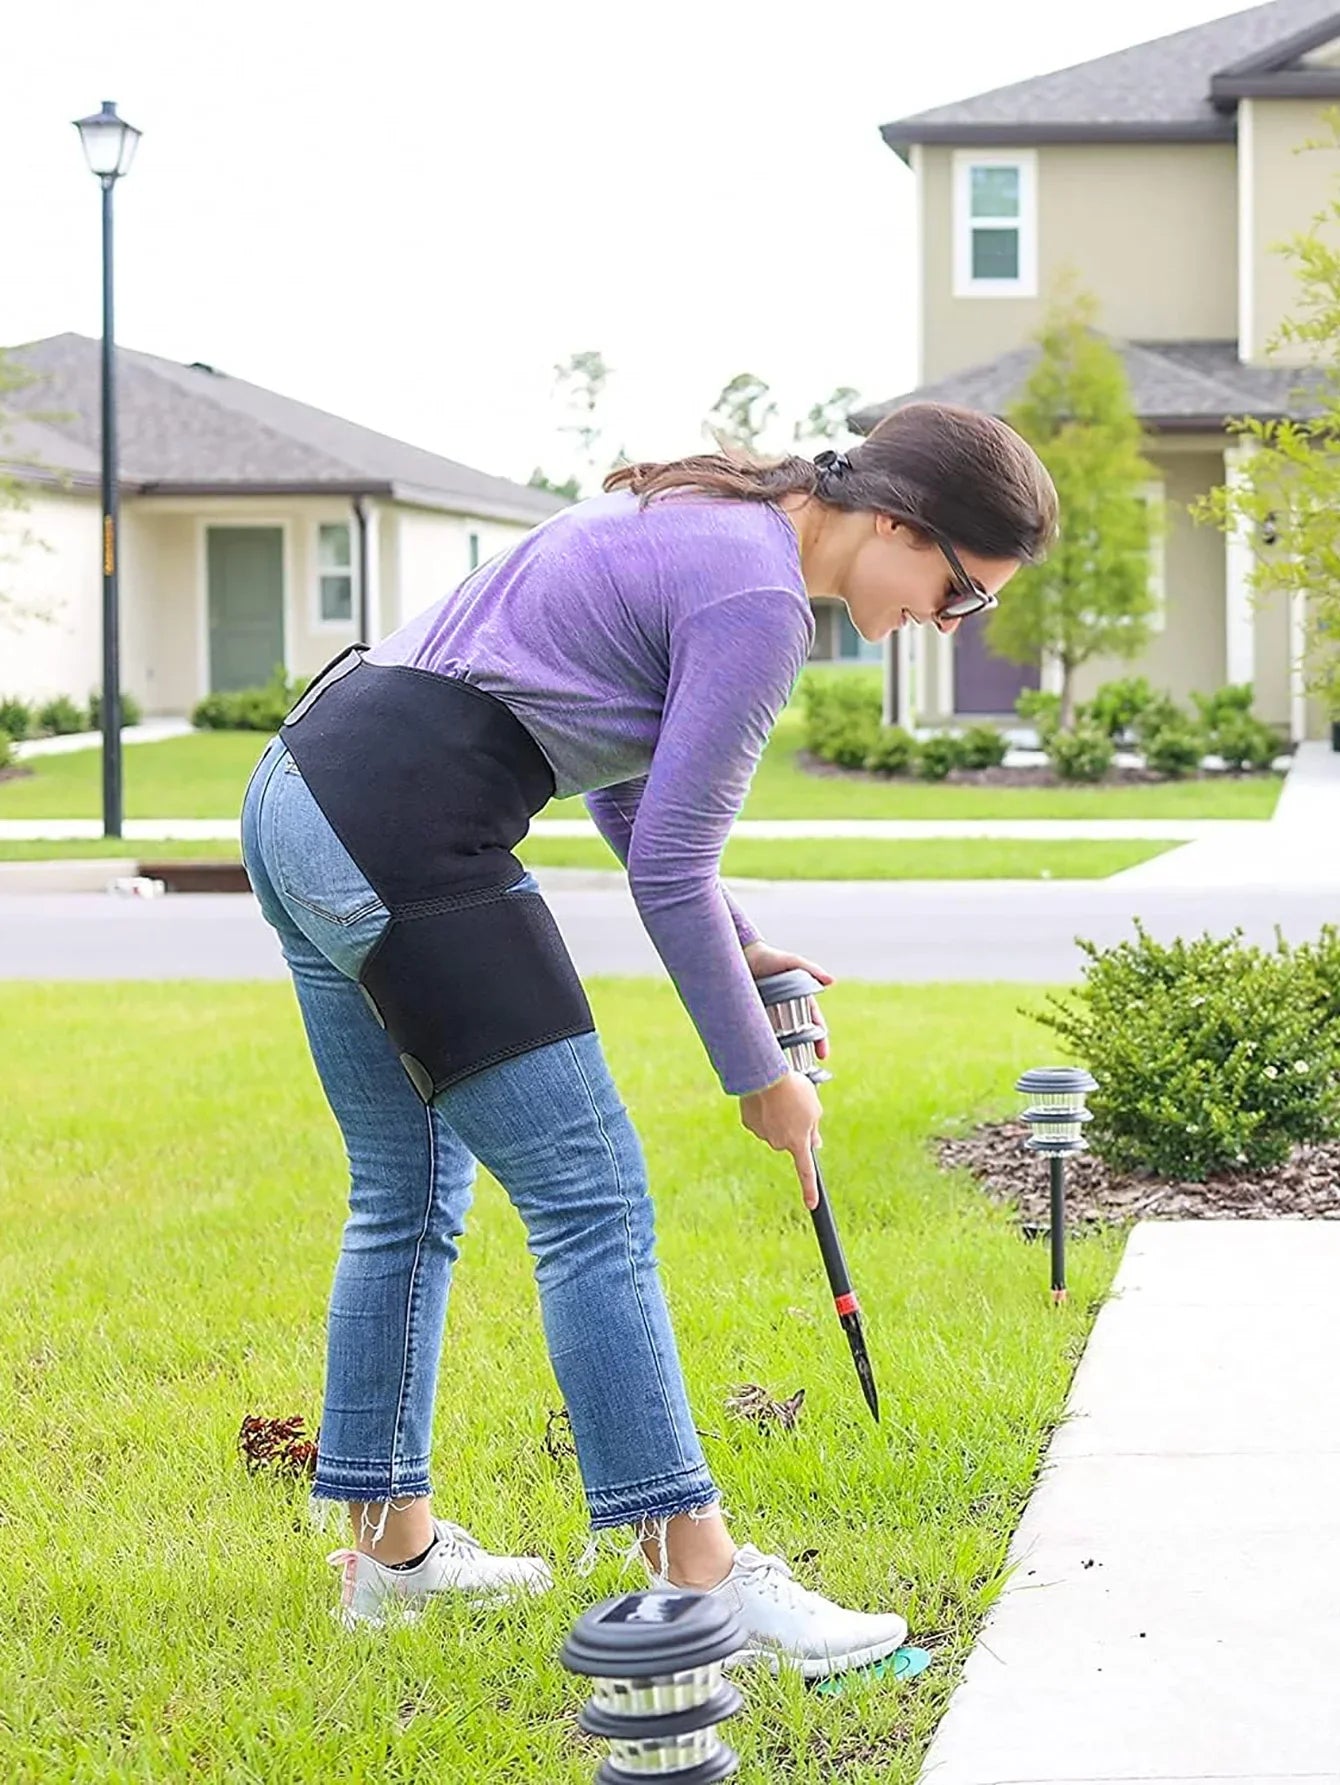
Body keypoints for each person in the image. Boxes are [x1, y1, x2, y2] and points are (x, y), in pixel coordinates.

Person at [239, 400, 1057, 1675]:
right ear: (899, 522)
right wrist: (764, 1079)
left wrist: (741, 946)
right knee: (592, 1199)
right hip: (404, 825)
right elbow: (667, 867)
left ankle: (392, 1557)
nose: (946, 628)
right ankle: (701, 1581)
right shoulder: (760, 600)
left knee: (405, 1188)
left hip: (304, 790)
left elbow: (631, 796)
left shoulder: (710, 520)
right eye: (956, 594)